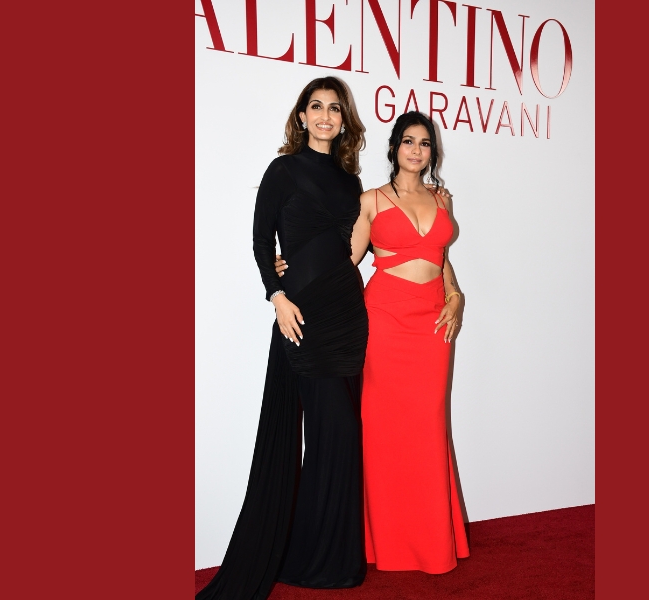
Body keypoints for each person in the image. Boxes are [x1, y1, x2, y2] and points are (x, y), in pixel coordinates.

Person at [196, 76, 368, 600]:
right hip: (301, 316)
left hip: (347, 314)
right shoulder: (283, 170)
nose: (325, 116)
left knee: (340, 438)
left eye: (334, 108)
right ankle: (310, 557)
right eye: (316, 106)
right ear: (301, 116)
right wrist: (277, 294)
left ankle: (326, 558)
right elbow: (259, 239)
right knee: (330, 431)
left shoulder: (350, 181)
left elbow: (349, 248)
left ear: (344, 121)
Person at [351, 111, 470, 573]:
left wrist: (456, 295)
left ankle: (431, 540)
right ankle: (387, 543)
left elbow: (439, 257)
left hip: (433, 323)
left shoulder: (442, 199)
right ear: (394, 148)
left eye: (424, 143)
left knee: (428, 427)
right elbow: (345, 260)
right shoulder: (371, 200)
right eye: (408, 141)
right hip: (384, 319)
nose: (416, 150)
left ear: (431, 152)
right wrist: (293, 267)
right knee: (384, 431)